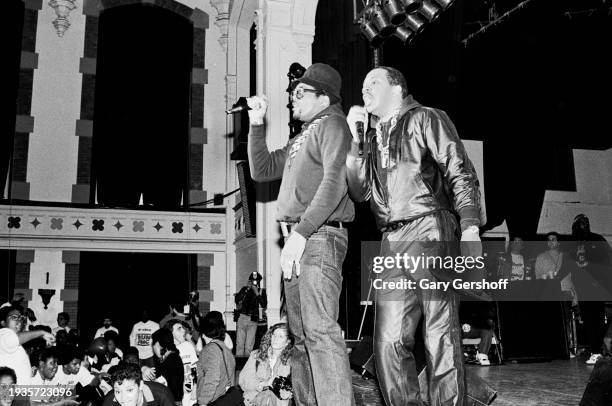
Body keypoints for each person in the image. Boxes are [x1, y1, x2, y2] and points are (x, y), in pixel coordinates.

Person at [346, 66, 485, 405]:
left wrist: (469, 225)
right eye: (362, 86)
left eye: (373, 83)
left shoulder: (426, 117)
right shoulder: (373, 137)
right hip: (391, 239)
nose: (364, 90)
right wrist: (355, 139)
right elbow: (359, 190)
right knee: (387, 342)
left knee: (440, 334)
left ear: (397, 88)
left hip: (429, 227)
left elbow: (459, 169)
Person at [247, 63, 355, 406]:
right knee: (301, 337)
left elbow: (336, 181)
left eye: (300, 93)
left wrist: (302, 233)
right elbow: (261, 169)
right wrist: (256, 123)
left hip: (318, 237)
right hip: (299, 239)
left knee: (320, 331)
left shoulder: (334, 124)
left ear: (324, 97)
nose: (292, 99)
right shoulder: (302, 135)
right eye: (292, 93)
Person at [239, 323, 294, 406]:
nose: (275, 339)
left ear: (287, 342)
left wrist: (290, 393)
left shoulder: (292, 361)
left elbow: (297, 387)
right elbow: (243, 380)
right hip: (255, 402)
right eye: (274, 335)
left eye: (280, 337)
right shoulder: (256, 355)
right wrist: (264, 384)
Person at [0, 305, 55, 385]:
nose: (19, 320)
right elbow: (13, 339)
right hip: (8, 392)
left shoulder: (14, 341)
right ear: (3, 322)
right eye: (14, 317)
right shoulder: (3, 334)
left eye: (21, 318)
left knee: (66, 394)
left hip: (18, 393)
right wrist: (41, 333)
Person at [195, 312, 235, 406]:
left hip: (213, 399)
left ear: (204, 333)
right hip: (226, 397)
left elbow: (212, 379)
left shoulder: (209, 350)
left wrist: (203, 402)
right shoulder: (224, 347)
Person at [102, 363, 175, 406]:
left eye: (129, 390)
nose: (123, 398)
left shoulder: (162, 395)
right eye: (118, 391)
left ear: (141, 385)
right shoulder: (109, 401)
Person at [147, 329, 183, 405]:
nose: (153, 348)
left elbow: (163, 385)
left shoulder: (171, 360)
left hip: (171, 401)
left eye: (154, 345)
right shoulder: (170, 358)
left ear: (160, 345)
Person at [235, 273, 266, 357]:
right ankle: (239, 365)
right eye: (252, 280)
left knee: (249, 346)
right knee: (239, 344)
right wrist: (247, 289)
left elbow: (264, 304)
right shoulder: (245, 289)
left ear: (259, 281)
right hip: (242, 317)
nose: (254, 282)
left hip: (253, 319)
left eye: (256, 281)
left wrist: (257, 294)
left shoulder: (261, 291)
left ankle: (246, 367)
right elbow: (237, 300)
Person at [168, 320, 197, 406]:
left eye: (182, 328)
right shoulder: (167, 351)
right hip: (174, 395)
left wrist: (195, 387)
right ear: (171, 333)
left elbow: (194, 367)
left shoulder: (188, 345)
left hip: (190, 391)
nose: (184, 330)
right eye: (179, 329)